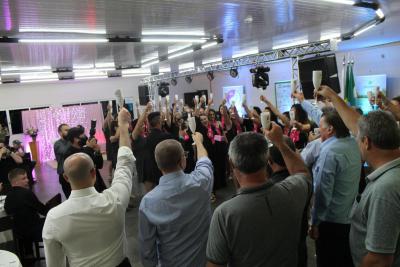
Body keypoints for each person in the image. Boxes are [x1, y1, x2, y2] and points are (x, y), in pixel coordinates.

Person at [316, 85, 400, 267]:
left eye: (358, 138)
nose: (356, 140)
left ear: (367, 142)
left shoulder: (384, 190)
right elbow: (357, 125)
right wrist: (332, 96)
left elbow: (379, 260)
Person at [206, 125, 312, 267]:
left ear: (231, 163)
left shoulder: (224, 214)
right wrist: (280, 142)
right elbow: (301, 171)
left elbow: (215, 264)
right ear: (267, 158)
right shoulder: (292, 191)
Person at [42, 108, 135, 267]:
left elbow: (54, 263)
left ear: (66, 177)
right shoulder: (114, 200)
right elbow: (125, 163)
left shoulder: (54, 217)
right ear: (93, 173)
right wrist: (123, 125)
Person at [139, 133, 213, 267]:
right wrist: (198, 142)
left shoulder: (148, 202)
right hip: (203, 261)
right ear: (182, 161)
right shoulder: (201, 182)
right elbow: (204, 162)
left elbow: (147, 248)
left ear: (158, 164)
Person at [4, 168, 49, 242]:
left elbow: (8, 211)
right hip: (34, 231)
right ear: (15, 181)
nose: (27, 180)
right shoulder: (27, 193)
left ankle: (28, 251)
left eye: (27, 177)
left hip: (18, 233)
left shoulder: (8, 196)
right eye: (23, 178)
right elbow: (43, 211)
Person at [63, 127, 107, 194]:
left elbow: (99, 165)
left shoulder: (84, 149)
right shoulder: (69, 153)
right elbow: (81, 167)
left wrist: (98, 152)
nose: (85, 137)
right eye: (82, 136)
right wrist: (89, 148)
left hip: (96, 183)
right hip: (84, 188)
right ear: (75, 139)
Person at [142, 111, 173, 192]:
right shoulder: (166, 136)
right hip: (164, 171)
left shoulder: (147, 138)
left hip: (150, 171)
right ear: (159, 121)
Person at [53, 123, 71, 197]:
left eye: (69, 130)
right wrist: (72, 141)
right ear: (60, 133)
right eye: (66, 130)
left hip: (72, 172)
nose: (68, 132)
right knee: (69, 197)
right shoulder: (57, 143)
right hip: (64, 174)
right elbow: (65, 151)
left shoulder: (70, 142)